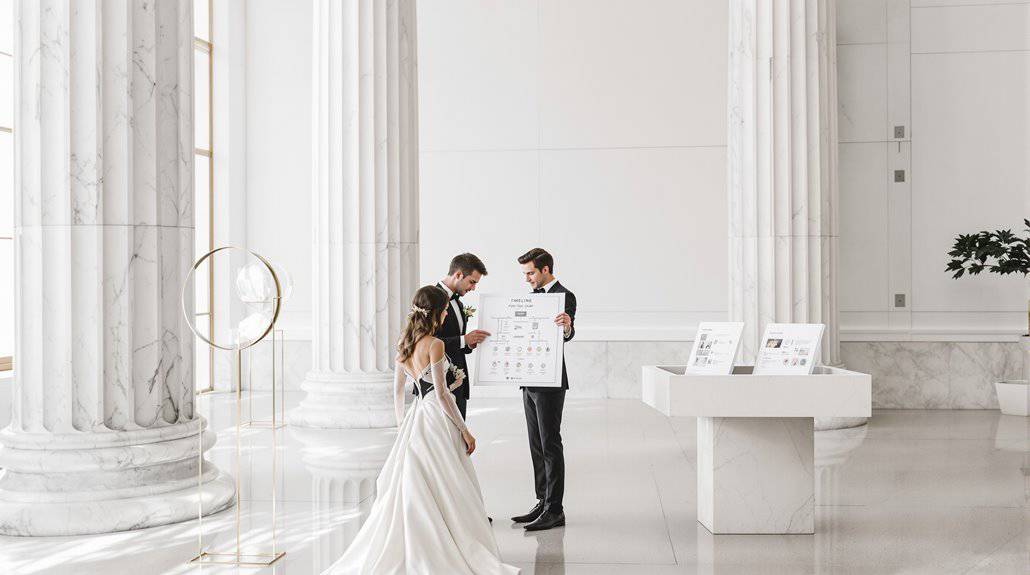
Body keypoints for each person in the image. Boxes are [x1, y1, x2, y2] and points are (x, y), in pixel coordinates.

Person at [322, 286, 519, 575]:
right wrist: (465, 431)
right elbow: (441, 395)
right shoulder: (435, 344)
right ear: (438, 314)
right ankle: (447, 539)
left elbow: (398, 392)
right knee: (447, 480)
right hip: (434, 417)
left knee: (417, 480)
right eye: (442, 311)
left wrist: (404, 425)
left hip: (415, 417)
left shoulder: (404, 343)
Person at [510, 248, 576, 532]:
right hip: (529, 379)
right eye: (524, 273)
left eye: (530, 272)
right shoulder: (532, 297)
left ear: (545, 269)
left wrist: (567, 327)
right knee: (535, 444)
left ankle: (555, 509)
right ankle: (542, 500)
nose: (526, 278)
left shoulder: (564, 295)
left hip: (550, 382)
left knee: (550, 443)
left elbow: (568, 335)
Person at [436, 253, 492, 419]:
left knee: (459, 440)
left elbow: (458, 342)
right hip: (438, 383)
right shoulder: (430, 297)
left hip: (459, 381)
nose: (473, 288)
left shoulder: (458, 302)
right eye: (472, 282)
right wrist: (463, 340)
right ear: (458, 275)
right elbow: (425, 341)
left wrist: (469, 344)